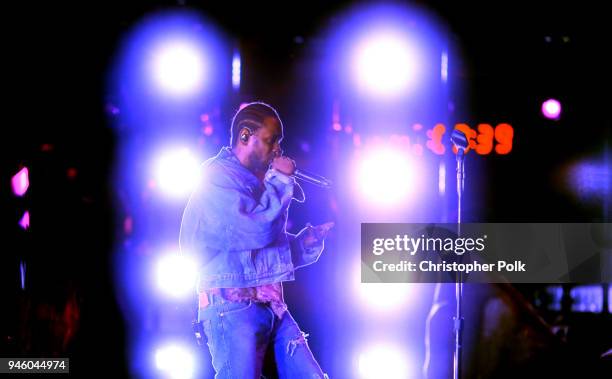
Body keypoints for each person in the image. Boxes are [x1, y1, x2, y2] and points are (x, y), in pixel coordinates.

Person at [180, 102, 333, 378]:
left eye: (279, 141)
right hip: (232, 308)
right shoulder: (216, 178)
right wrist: (281, 181)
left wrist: (304, 244)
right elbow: (257, 230)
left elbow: (262, 254)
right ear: (245, 136)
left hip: (270, 304)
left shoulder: (255, 182)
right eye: (271, 140)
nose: (277, 149)